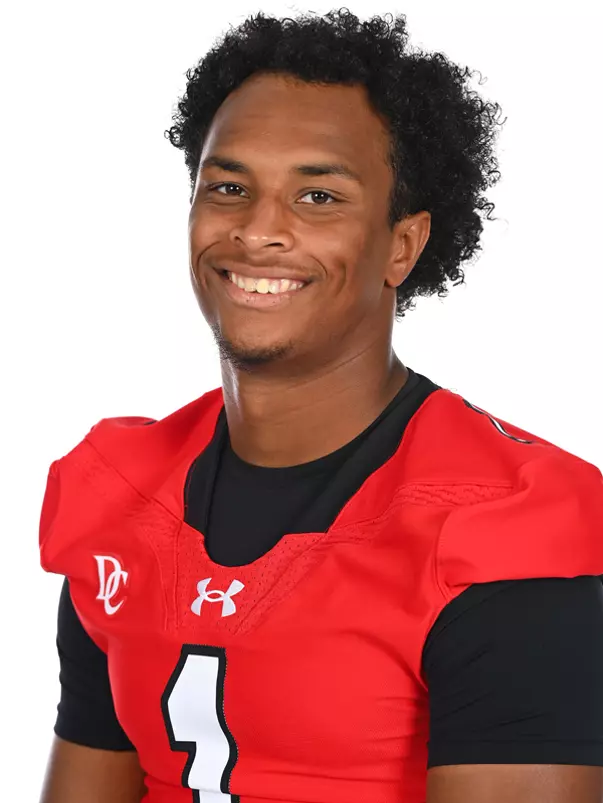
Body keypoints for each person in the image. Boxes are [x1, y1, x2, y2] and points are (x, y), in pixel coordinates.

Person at [38, 9, 603, 803]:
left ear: (400, 245)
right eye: (228, 187)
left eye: (317, 196)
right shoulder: (121, 496)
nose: (258, 230)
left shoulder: (497, 526)